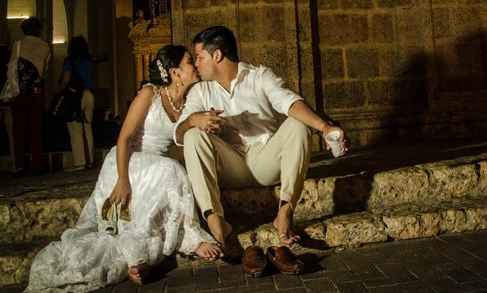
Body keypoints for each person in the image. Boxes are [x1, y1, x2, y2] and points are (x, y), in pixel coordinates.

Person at [27, 45, 221, 292]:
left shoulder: (188, 101)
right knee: (172, 170)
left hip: (155, 169)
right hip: (127, 162)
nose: (194, 64)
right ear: (175, 72)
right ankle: (191, 239)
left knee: (168, 176)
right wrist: (122, 180)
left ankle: (142, 260)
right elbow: (124, 138)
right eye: (188, 61)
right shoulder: (149, 94)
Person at [174, 26, 346, 259]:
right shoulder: (199, 92)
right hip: (228, 165)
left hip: (266, 161)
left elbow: (290, 103)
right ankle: (215, 219)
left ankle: (284, 212)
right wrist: (194, 119)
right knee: (193, 134)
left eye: (200, 57)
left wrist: (324, 128)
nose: (196, 64)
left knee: (297, 124)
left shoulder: (259, 76)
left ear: (217, 56)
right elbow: (179, 135)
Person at [10, 17, 51, 177]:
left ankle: (20, 166)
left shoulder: (18, 45)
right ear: (39, 30)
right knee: (36, 128)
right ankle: (37, 165)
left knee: (19, 129)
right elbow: (45, 69)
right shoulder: (45, 47)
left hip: (20, 91)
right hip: (37, 91)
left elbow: (12, 66)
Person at [58, 36, 95, 171]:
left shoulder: (69, 62)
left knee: (75, 130)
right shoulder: (89, 61)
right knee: (88, 129)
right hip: (89, 94)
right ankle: (90, 160)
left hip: (75, 97)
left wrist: (59, 92)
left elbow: (66, 79)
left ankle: (80, 162)